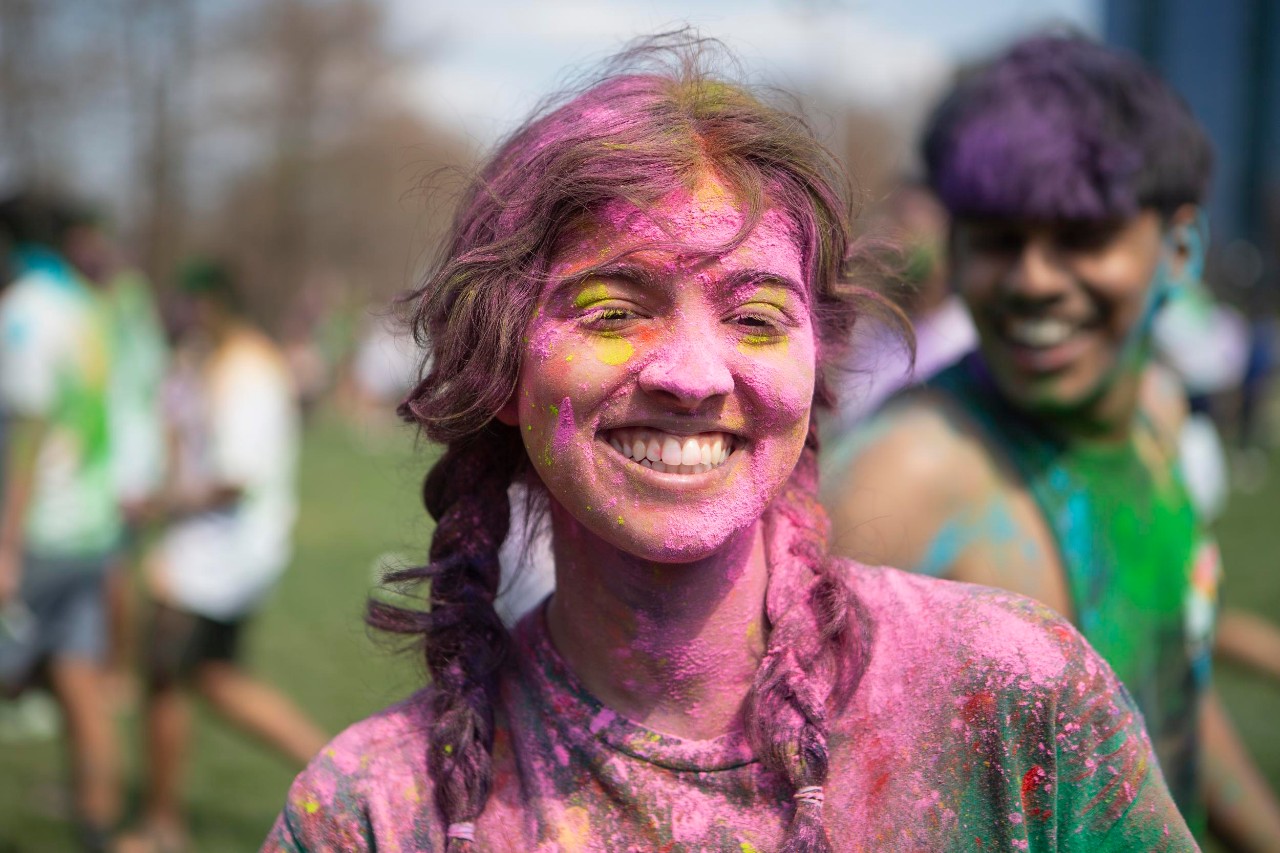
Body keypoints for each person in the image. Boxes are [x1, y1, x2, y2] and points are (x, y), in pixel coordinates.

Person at [263, 36, 1196, 852]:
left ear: (814, 363)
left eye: (755, 317)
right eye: (613, 310)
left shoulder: (1012, 695)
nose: (694, 375)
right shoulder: (371, 811)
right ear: (503, 368)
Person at [821, 34, 1280, 849]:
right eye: (998, 240)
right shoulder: (907, 475)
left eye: (1081, 236)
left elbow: (1169, 685)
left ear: (1179, 250)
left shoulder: (1155, 418)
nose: (1033, 278)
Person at [124, 259, 325, 852]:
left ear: (209, 305)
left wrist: (159, 505)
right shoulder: (224, 361)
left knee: (168, 675)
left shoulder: (245, 370)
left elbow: (233, 477)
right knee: (211, 677)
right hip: (216, 552)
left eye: (189, 306)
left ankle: (161, 825)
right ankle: (343, 770)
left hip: (219, 558)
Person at [0, 193, 123, 851]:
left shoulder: (24, 311)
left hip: (40, 531)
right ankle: (97, 831)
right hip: (92, 527)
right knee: (79, 683)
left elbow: (26, 428)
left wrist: (6, 543)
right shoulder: (88, 307)